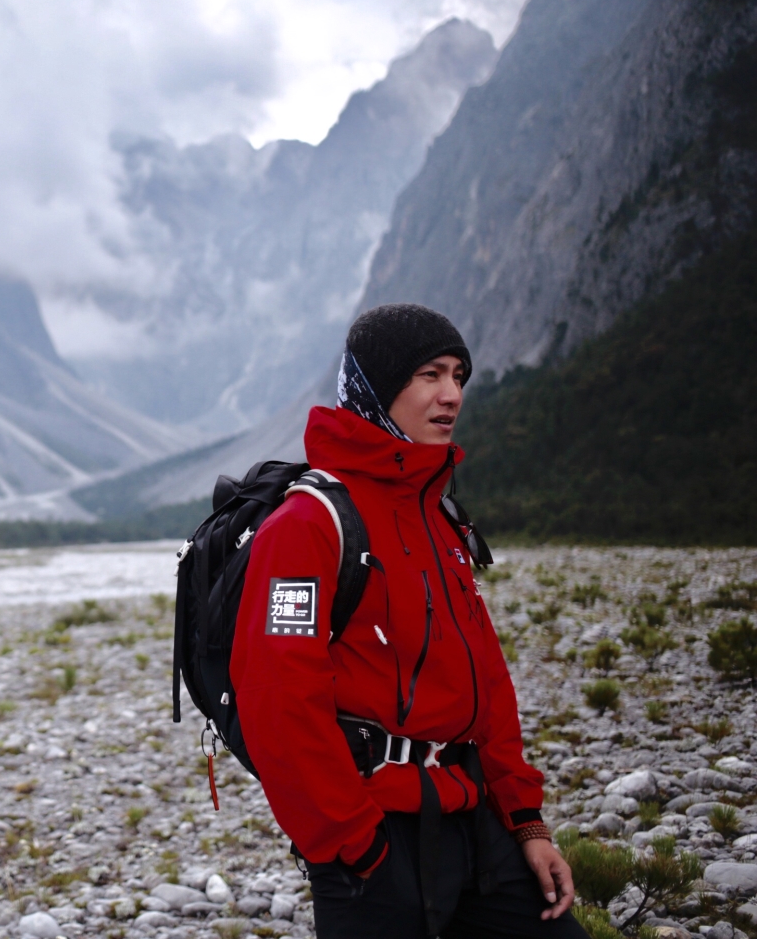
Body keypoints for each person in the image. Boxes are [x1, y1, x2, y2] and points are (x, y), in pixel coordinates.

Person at [229, 304, 581, 939]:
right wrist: (352, 843)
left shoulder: (439, 516)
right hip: (377, 836)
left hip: (475, 822)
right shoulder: (308, 526)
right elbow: (277, 701)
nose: (451, 395)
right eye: (428, 375)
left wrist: (524, 820)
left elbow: (487, 683)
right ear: (376, 386)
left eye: (459, 376)